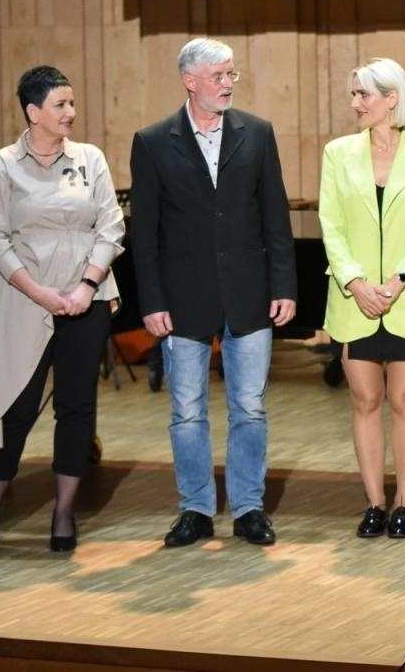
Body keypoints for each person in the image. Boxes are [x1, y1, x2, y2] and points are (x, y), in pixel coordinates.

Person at [130, 37, 297, 549]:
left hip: (250, 294)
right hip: (182, 300)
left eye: (231, 75)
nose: (228, 84)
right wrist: (152, 302)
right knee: (186, 411)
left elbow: (276, 217)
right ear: (190, 81)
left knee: (250, 407)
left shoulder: (257, 133)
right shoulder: (153, 142)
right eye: (219, 76)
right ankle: (196, 509)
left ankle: (249, 508)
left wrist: (284, 286)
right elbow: (145, 234)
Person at [0, 66, 124, 555]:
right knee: (15, 406)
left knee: (76, 407)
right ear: (33, 112)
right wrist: (39, 292)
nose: (71, 112)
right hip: (22, 298)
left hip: (87, 299)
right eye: (61, 104)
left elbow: (111, 225)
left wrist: (86, 287)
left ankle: (63, 511)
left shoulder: (90, 159)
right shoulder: (2, 165)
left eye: (72, 103)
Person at [319, 59, 405, 538]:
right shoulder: (337, 154)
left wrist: (398, 282)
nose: (355, 103)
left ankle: (403, 504)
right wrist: (356, 283)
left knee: (404, 399)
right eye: (354, 94)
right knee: (365, 399)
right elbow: (331, 226)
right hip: (353, 299)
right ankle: (374, 503)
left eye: (363, 94)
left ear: (391, 98)